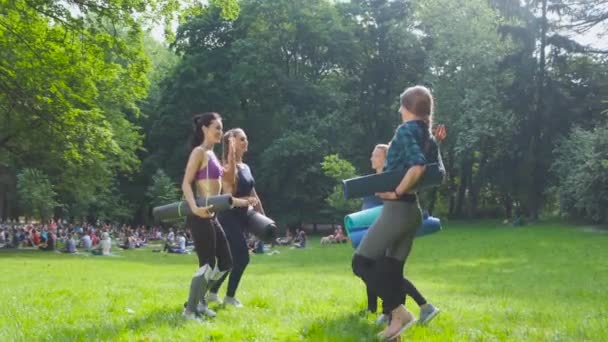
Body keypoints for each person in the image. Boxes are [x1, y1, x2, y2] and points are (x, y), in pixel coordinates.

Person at [351, 86, 444, 340]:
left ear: (408, 108)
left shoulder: (405, 131)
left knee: (361, 263)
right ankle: (395, 330)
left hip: (397, 209)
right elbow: (438, 174)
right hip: (412, 212)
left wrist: (396, 192)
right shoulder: (429, 136)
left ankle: (400, 313)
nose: (399, 110)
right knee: (391, 271)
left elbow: (418, 167)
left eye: (401, 106)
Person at [361, 143, 443, 326]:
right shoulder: (381, 176)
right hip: (390, 224)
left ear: (385, 157)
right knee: (388, 271)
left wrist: (433, 146)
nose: (371, 158)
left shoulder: (392, 175)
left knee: (377, 269)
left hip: (395, 225)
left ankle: (404, 310)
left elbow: (406, 193)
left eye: (375, 155)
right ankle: (396, 312)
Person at [181, 112, 233, 320]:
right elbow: (186, 183)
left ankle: (200, 301)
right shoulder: (199, 152)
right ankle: (190, 310)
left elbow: (225, 188)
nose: (220, 132)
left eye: (221, 128)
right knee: (207, 264)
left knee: (226, 262)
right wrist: (194, 208)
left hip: (212, 216)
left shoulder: (213, 156)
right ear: (205, 129)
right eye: (217, 128)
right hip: (199, 214)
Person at [207, 128, 265, 308]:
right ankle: (230, 298)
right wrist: (248, 201)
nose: (246, 142)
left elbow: (254, 193)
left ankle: (212, 293)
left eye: (246, 138)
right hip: (228, 217)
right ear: (232, 143)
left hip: (242, 217)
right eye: (241, 139)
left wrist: (264, 218)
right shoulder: (227, 169)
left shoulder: (246, 167)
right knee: (242, 258)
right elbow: (228, 198)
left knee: (230, 259)